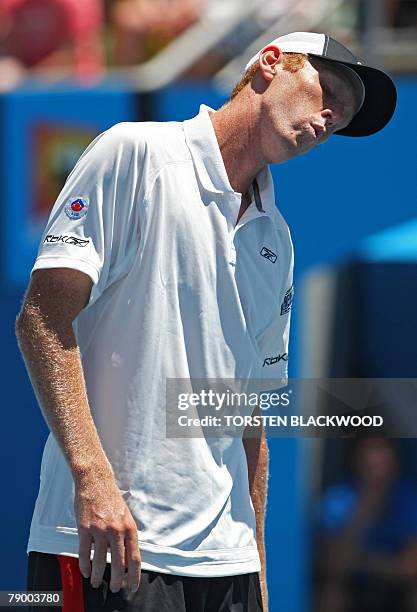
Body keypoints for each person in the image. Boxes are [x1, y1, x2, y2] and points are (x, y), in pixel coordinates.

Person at [16, 32, 397, 612]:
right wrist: (94, 483)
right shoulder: (134, 153)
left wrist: (259, 571)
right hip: (108, 547)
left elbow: (249, 419)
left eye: (341, 117)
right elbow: (41, 318)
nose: (329, 118)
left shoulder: (280, 241)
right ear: (271, 62)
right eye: (329, 92)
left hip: (229, 566)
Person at [316, 438, 417, 612]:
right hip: (354, 588)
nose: (375, 462)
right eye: (369, 454)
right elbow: (333, 563)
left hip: (397, 590)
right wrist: (364, 511)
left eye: (381, 452)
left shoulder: (407, 496)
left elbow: (409, 567)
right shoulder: (339, 498)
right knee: (330, 592)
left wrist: (361, 561)